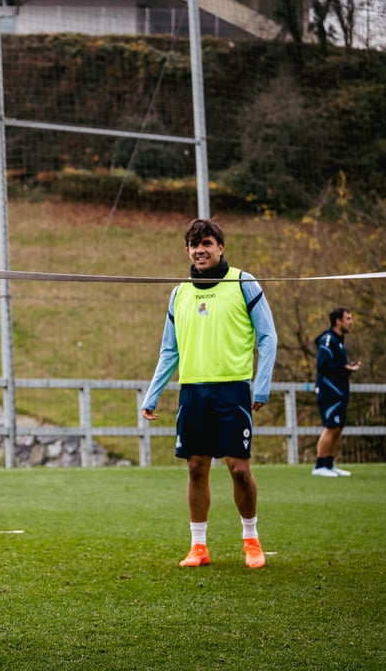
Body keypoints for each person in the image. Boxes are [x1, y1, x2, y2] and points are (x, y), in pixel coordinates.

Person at [141, 218, 277, 570]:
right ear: (187, 250)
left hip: (232, 390)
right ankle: (198, 546)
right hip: (193, 393)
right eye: (193, 244)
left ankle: (251, 540)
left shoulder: (244, 283)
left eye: (207, 242)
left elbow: (267, 337)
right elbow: (168, 351)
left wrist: (261, 385)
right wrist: (152, 395)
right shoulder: (179, 294)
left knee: (239, 470)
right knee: (196, 468)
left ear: (220, 247)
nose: (200, 249)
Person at [312, 307, 360, 477]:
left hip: (340, 392)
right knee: (330, 426)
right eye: (348, 318)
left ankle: (329, 464)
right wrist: (344, 368)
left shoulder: (340, 340)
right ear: (338, 321)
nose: (351, 322)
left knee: (338, 427)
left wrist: (347, 368)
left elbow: (336, 366)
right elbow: (323, 366)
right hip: (329, 391)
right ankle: (319, 465)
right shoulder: (327, 339)